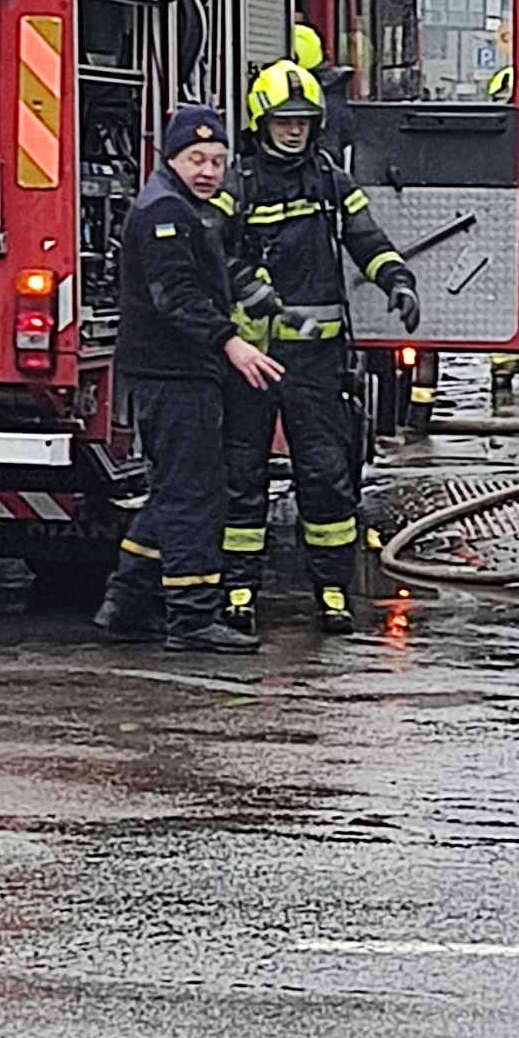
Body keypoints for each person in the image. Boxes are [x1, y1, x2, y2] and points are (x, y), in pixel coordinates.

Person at [213, 59, 420, 638]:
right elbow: (208, 249)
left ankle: (331, 593)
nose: (295, 130)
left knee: (327, 477)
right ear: (262, 123)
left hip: (317, 365)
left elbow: (366, 239)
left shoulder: (331, 181)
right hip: (252, 366)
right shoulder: (239, 183)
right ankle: (238, 593)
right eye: (284, 121)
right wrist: (244, 282)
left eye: (303, 120)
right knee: (241, 476)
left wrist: (396, 279)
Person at [94, 107, 284, 654]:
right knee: (193, 496)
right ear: (171, 158)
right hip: (173, 373)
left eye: (218, 160)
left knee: (173, 490)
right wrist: (231, 340)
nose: (208, 169)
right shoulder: (166, 214)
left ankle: (125, 604)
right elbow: (175, 296)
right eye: (196, 159)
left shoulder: (184, 206)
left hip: (181, 372)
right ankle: (192, 618)